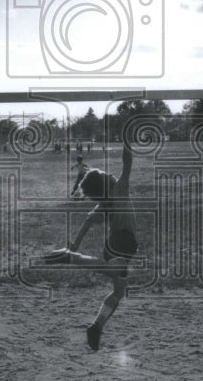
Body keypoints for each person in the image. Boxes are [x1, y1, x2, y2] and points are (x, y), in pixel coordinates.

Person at [42, 142, 136, 351]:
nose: (110, 174)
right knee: (113, 272)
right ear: (107, 182)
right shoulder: (119, 190)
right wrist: (127, 140)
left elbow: (87, 221)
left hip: (114, 243)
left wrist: (75, 244)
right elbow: (127, 162)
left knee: (118, 291)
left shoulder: (104, 203)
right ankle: (74, 258)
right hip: (123, 241)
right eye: (106, 174)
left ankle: (96, 327)